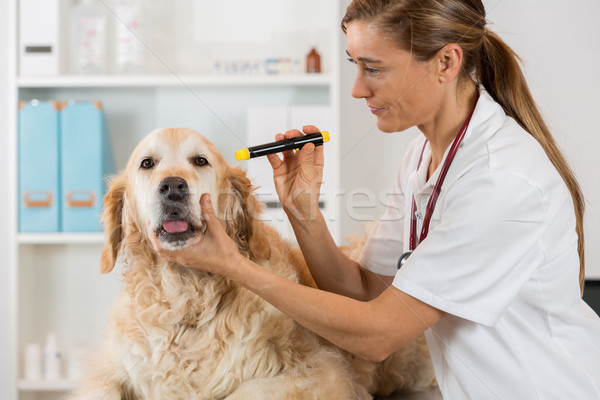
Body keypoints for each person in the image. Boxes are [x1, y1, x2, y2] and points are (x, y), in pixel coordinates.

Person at [151, 0, 600, 398]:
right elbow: (366, 292)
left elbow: (377, 336)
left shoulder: (502, 180)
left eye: (374, 68)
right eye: (354, 64)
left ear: (446, 62)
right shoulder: (425, 153)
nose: (357, 89)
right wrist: (304, 214)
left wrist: (233, 266)